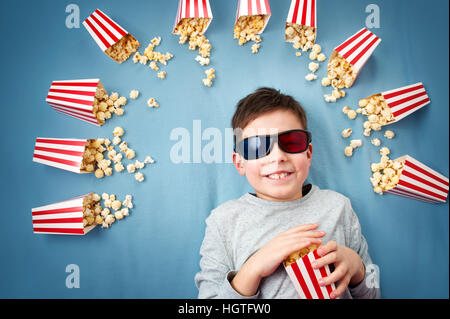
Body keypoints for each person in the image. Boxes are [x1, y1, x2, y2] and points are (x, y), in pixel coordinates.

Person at [194, 87, 380, 299]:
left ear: (308, 154)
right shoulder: (223, 221)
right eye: (256, 146)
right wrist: (252, 269)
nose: (277, 156)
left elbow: (373, 294)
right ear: (239, 163)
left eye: (291, 142)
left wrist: (357, 268)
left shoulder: (338, 207)